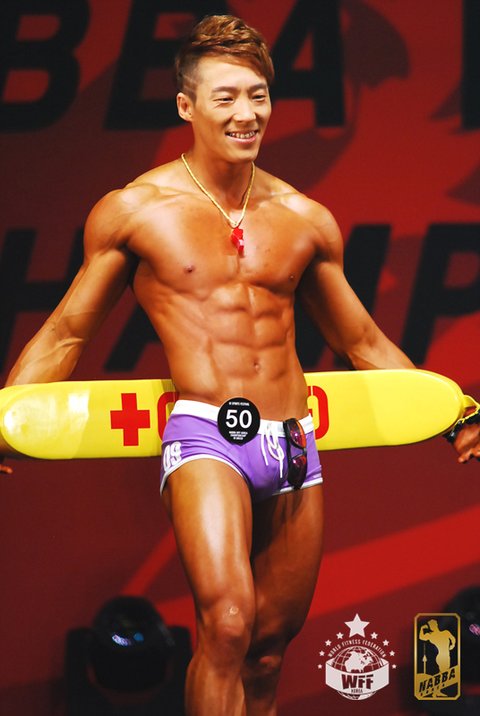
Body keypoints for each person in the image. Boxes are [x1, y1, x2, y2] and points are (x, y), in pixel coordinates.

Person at [1, 14, 479, 716]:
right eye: (225, 97)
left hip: (293, 441)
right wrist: (8, 417)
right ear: (186, 106)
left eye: (258, 95)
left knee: (266, 649)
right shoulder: (136, 211)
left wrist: (456, 412)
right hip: (204, 434)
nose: (246, 113)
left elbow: (364, 343)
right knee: (226, 624)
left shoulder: (303, 218)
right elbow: (68, 332)